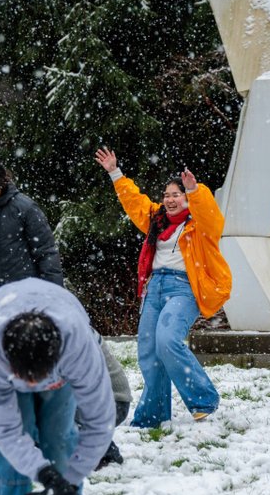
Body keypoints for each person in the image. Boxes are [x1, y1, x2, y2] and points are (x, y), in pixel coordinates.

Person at [0, 157, 128, 468]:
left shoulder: (24, 208)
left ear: (2, 184)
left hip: (20, 297)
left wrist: (54, 297)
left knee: (24, 358)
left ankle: (30, 420)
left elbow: (46, 253)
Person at [0, 278, 116, 495]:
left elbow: (100, 423)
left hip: (58, 376)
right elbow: (6, 431)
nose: (33, 384)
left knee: (60, 440)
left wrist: (67, 481)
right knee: (9, 455)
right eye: (27, 379)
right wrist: (42, 473)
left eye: (38, 378)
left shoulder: (78, 346)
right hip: (6, 374)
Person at [94, 147, 232, 428]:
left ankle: (203, 399)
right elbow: (135, 203)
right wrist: (114, 172)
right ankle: (154, 413)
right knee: (148, 349)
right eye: (167, 195)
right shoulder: (156, 220)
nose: (170, 200)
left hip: (183, 288)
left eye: (176, 195)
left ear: (186, 198)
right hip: (154, 287)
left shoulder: (200, 225)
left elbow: (211, 214)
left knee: (168, 339)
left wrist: (195, 191)